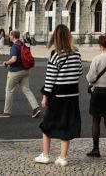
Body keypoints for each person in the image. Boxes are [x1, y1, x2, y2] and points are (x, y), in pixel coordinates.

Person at [35, 24, 83, 166]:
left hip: (58, 95)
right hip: (73, 95)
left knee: (47, 125)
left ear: (55, 37)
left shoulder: (55, 55)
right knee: (66, 125)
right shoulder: (77, 53)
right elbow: (79, 71)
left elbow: (50, 78)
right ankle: (62, 157)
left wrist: (45, 97)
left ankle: (45, 155)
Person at [0, 29, 41, 120]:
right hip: (25, 70)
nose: (9, 36)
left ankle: (7, 112)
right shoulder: (22, 44)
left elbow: (14, 59)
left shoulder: (14, 46)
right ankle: (35, 108)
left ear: (13, 36)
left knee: (9, 91)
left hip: (15, 71)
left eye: (10, 35)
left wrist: (6, 63)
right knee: (27, 90)